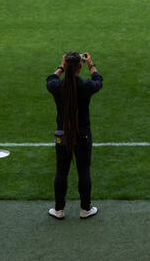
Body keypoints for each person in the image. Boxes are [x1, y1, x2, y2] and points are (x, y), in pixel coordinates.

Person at [47, 52, 102, 220]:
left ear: (66, 67)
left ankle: (59, 209)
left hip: (62, 134)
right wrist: (90, 64)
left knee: (61, 171)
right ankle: (85, 209)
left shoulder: (57, 86)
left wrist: (61, 66)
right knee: (83, 171)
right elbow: (98, 81)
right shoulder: (85, 86)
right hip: (82, 134)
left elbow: (50, 79)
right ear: (80, 67)